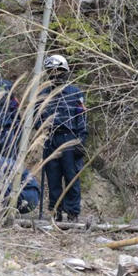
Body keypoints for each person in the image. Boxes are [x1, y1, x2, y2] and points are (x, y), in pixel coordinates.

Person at [35, 55, 88, 222]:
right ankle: (55, 211)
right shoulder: (43, 94)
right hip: (51, 139)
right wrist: (42, 131)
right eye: (52, 72)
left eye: (59, 71)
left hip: (70, 138)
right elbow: (37, 119)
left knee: (71, 177)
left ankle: (73, 212)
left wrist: (81, 140)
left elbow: (82, 117)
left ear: (65, 72)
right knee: (53, 177)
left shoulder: (75, 93)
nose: (56, 75)